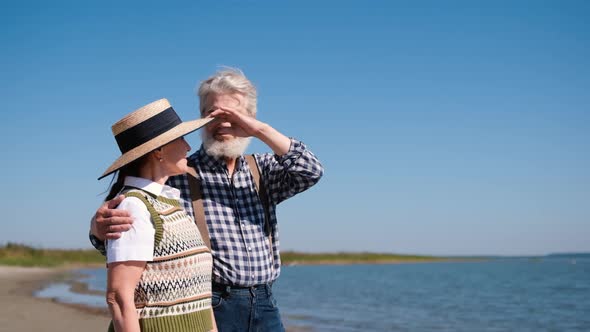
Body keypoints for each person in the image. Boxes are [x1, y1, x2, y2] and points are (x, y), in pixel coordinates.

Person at [90, 68, 324, 332]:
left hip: (265, 302)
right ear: (201, 118)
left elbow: (310, 170)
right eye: (213, 115)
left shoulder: (263, 169)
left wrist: (259, 130)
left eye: (234, 116)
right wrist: (98, 230)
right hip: (208, 304)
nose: (224, 123)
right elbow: (136, 247)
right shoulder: (177, 174)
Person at [97, 98, 216, 332]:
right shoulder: (134, 206)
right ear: (159, 151)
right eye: (181, 138)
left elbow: (201, 294)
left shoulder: (170, 203)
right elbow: (119, 297)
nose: (188, 147)